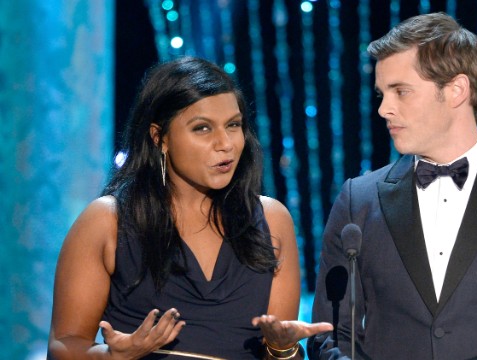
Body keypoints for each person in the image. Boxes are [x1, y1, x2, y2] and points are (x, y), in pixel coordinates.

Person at [308, 12, 477, 360]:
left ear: (456, 90)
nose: (383, 109)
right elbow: (330, 334)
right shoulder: (357, 200)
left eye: (401, 92)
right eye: (382, 93)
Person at [48, 56, 332, 360]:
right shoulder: (107, 221)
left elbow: (280, 355)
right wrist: (113, 355)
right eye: (203, 128)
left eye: (233, 125)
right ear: (160, 138)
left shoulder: (272, 220)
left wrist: (283, 347)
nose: (226, 143)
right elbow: (64, 344)